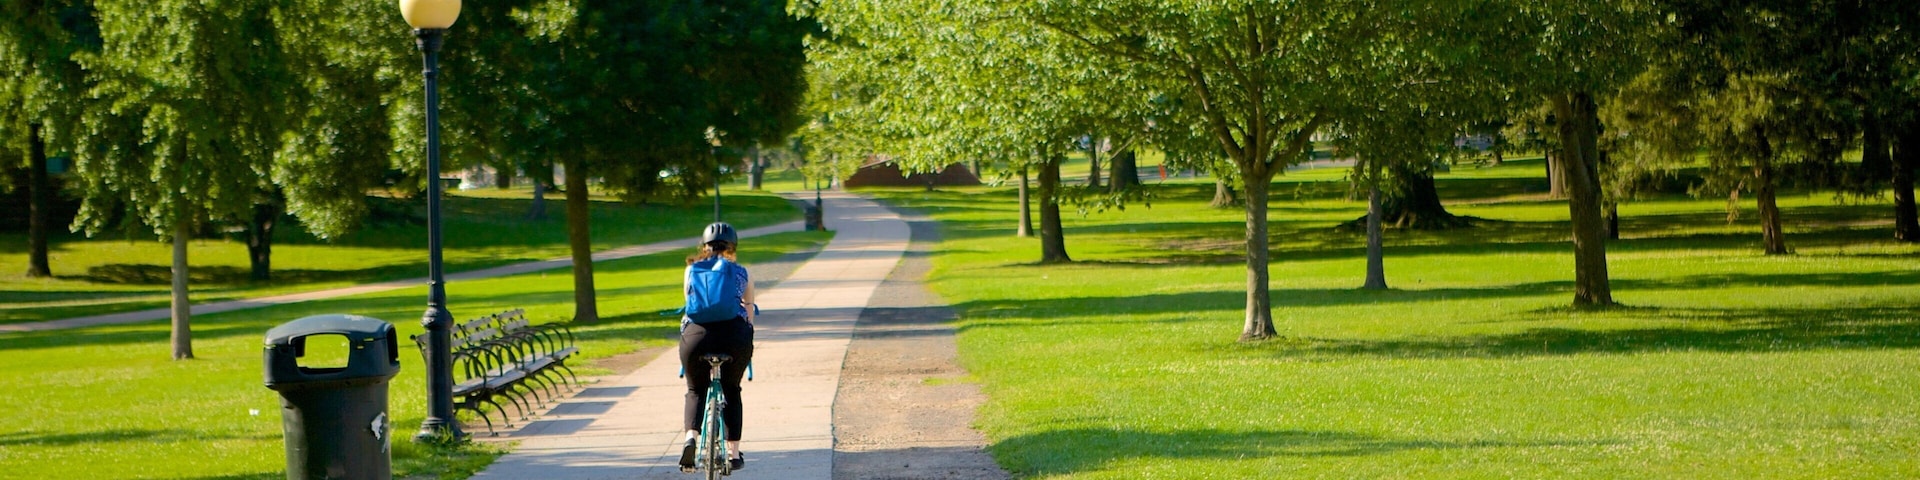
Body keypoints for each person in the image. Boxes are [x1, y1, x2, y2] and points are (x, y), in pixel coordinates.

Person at [679, 222, 755, 471]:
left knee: (695, 389)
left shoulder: (691, 270)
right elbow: (748, 308)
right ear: (733, 247)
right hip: (733, 335)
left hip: (696, 336)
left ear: (703, 246)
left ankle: (690, 437)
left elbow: (690, 305)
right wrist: (748, 334)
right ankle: (733, 454)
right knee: (731, 390)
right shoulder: (742, 272)